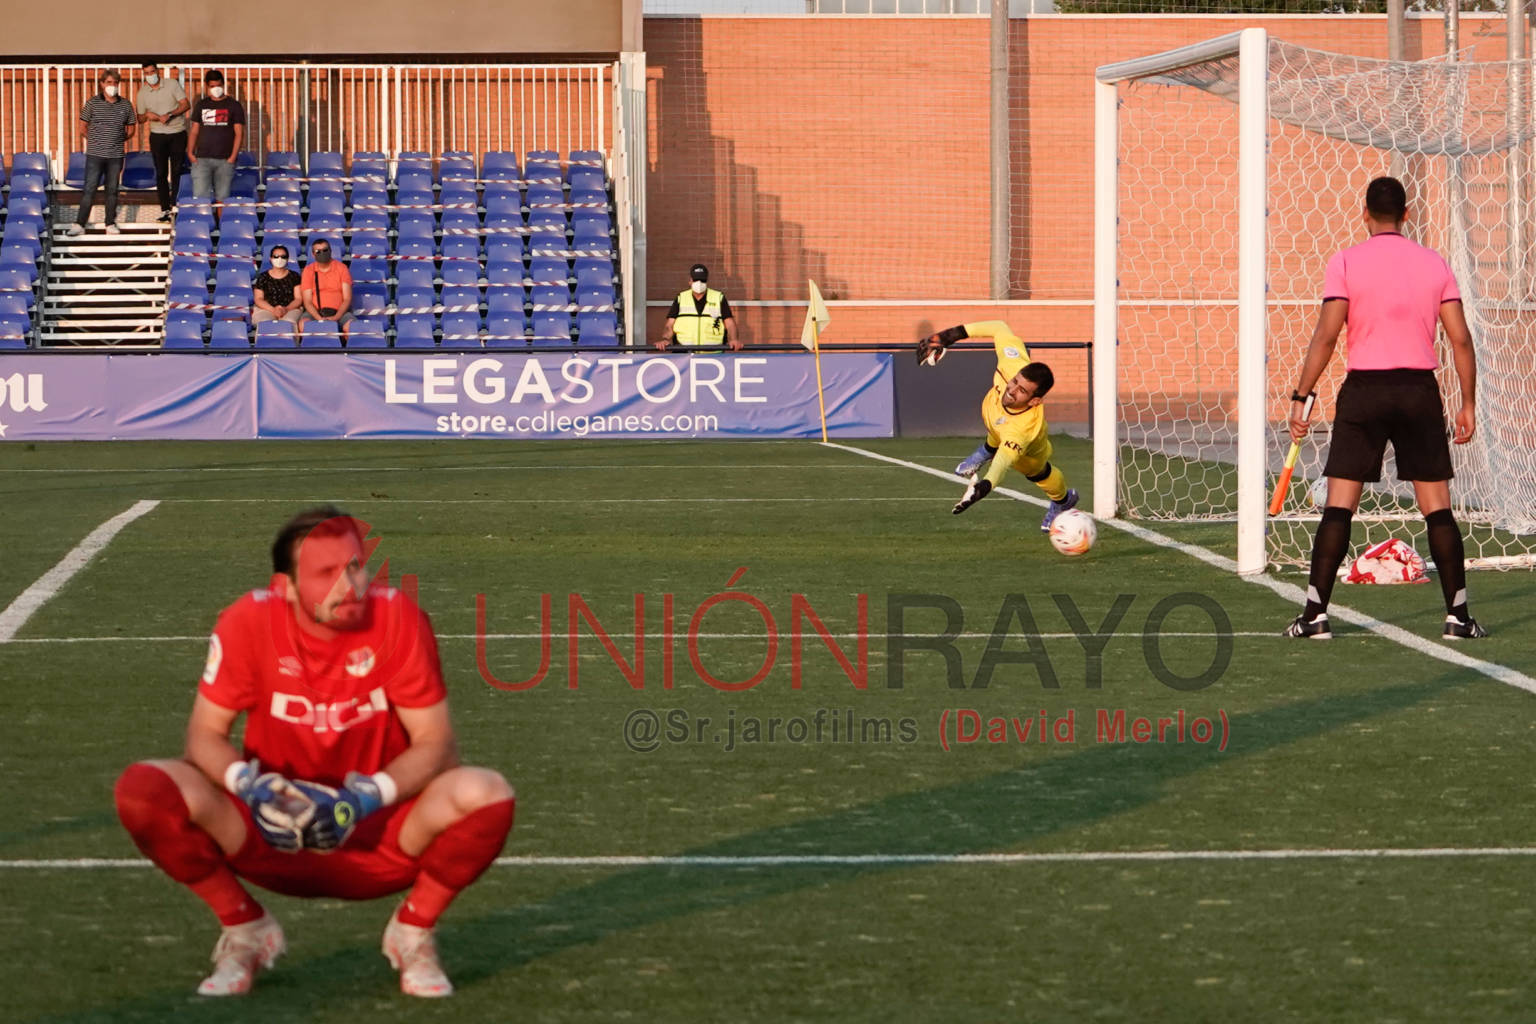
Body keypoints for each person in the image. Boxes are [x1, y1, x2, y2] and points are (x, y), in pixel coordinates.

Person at [112, 507, 516, 998]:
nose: (349, 585)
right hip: (270, 832)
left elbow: (438, 743)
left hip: (379, 832)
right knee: (144, 790)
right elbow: (204, 737)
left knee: (485, 792)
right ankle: (245, 929)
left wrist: (362, 799)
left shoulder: (397, 618)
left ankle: (414, 931)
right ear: (284, 586)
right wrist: (252, 787)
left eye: (355, 567)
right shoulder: (248, 621)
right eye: (326, 573)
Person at [1283, 176, 1485, 641]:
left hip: (1364, 392)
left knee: (1339, 506)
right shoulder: (1434, 263)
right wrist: (1468, 403)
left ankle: (1314, 617)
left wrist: (1301, 396)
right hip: (1418, 392)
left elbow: (1326, 336)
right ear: (1406, 215)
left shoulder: (1346, 261)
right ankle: (1459, 618)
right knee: (1437, 509)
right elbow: (1460, 339)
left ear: (1365, 215)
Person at [917, 321, 1078, 530]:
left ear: (1034, 401)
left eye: (1022, 391)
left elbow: (1002, 462)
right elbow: (999, 327)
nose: (1011, 390)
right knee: (996, 429)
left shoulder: (1022, 430)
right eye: (1015, 381)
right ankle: (985, 451)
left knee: (1039, 474)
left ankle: (1063, 501)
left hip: (1028, 453)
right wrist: (946, 337)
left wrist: (984, 486)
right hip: (996, 419)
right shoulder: (1012, 364)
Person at [68, 70, 137, 236]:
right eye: (109, 82)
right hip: (95, 155)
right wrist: (94, 140)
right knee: (89, 189)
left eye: (115, 83)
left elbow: (131, 128)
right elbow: (82, 126)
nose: (112, 86)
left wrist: (119, 139)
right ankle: (79, 224)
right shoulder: (92, 103)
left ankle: (110, 223)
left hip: (116, 156)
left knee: (112, 190)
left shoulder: (126, 105)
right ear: (102, 84)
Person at [135, 60, 190, 222]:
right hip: (157, 135)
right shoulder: (142, 93)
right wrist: (147, 115)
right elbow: (140, 118)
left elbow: (185, 105)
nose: (150, 75)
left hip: (177, 133)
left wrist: (170, 114)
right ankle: (165, 208)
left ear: (158, 71)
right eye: (147, 73)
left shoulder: (172, 84)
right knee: (160, 173)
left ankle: (176, 206)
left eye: (152, 72)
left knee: (177, 171)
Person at [187, 69, 245, 202]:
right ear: (207, 86)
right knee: (201, 199)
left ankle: (221, 218)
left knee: (222, 199)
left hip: (225, 160)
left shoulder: (234, 105)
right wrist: (190, 153)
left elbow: (239, 133)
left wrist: (232, 157)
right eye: (212, 86)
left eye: (218, 85)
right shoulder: (201, 105)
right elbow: (194, 130)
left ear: (223, 85)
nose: (216, 89)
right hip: (202, 160)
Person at [656, 263, 741, 351]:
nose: (699, 283)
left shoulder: (718, 297)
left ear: (707, 281)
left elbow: (730, 323)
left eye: (702, 280)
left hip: (713, 354)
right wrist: (665, 339)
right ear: (690, 281)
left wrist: (734, 339)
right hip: (683, 355)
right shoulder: (681, 298)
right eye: (696, 280)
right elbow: (669, 325)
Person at [300, 238, 354, 334]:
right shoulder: (308, 270)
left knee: (351, 326)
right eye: (318, 251)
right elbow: (307, 301)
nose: (322, 253)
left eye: (325, 250)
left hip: (340, 312)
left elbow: (347, 299)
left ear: (330, 251)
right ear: (313, 254)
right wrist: (319, 318)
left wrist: (336, 317)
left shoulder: (342, 268)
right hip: (316, 312)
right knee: (303, 324)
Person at [252, 245, 303, 325]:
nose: (279, 259)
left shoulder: (294, 276)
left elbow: (298, 299)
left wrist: (286, 309)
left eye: (283, 256)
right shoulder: (263, 277)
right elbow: (258, 299)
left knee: (289, 322)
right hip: (266, 309)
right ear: (271, 259)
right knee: (265, 322)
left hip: (291, 309)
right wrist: (273, 310)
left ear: (287, 259)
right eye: (276, 256)